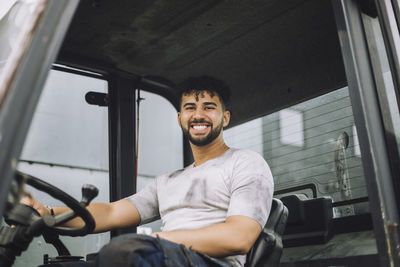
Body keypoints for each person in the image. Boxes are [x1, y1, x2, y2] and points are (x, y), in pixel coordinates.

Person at [22, 76, 274, 267]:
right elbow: (110, 212)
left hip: (212, 263)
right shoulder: (167, 181)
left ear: (225, 118)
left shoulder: (246, 163)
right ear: (179, 118)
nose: (198, 115)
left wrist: (156, 240)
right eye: (190, 108)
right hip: (166, 257)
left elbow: (238, 237)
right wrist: (48, 214)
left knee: (125, 251)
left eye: (209, 107)